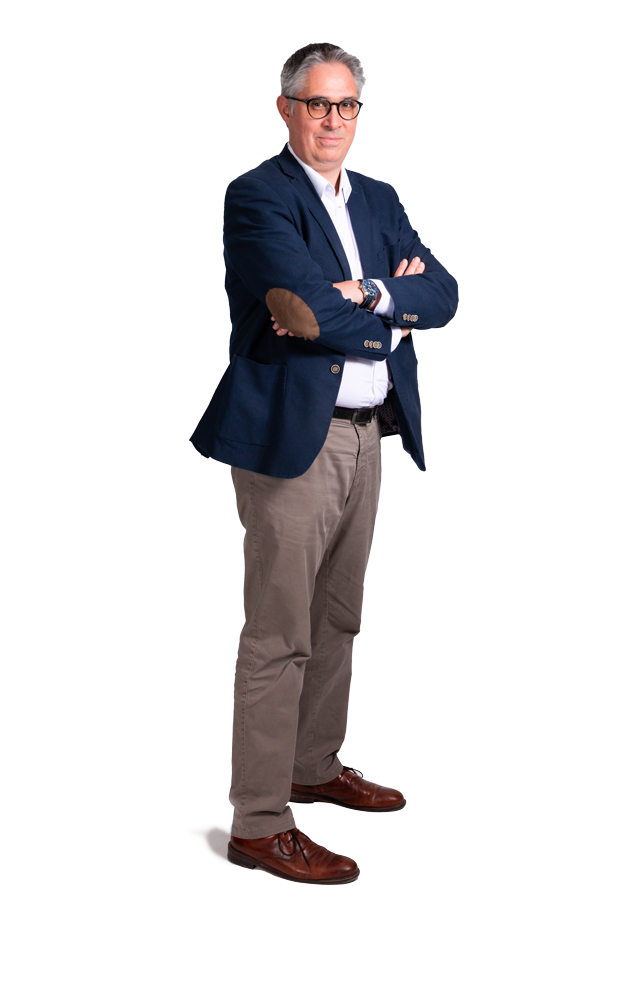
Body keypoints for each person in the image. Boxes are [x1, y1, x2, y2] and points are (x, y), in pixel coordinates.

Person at [190, 42, 458, 885]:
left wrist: (368, 293)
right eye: (316, 104)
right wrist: (388, 308)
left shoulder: (377, 198)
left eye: (346, 105)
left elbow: (443, 293)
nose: (332, 119)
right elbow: (300, 312)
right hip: (289, 435)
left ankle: (311, 765)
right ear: (285, 109)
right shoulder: (257, 195)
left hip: (366, 431)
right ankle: (258, 824)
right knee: (280, 634)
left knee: (336, 615)